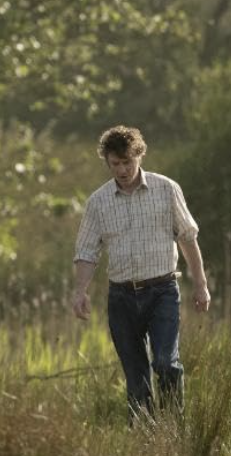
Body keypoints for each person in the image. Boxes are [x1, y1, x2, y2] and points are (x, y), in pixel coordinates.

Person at [71, 125, 211, 420]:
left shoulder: (166, 189)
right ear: (107, 162)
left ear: (139, 156)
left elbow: (187, 238)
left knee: (164, 362)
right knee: (136, 377)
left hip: (162, 291)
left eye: (127, 162)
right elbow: (86, 252)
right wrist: (80, 291)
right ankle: (145, 437)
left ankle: (173, 427)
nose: (122, 170)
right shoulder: (98, 202)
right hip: (121, 297)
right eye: (115, 164)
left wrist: (201, 285)